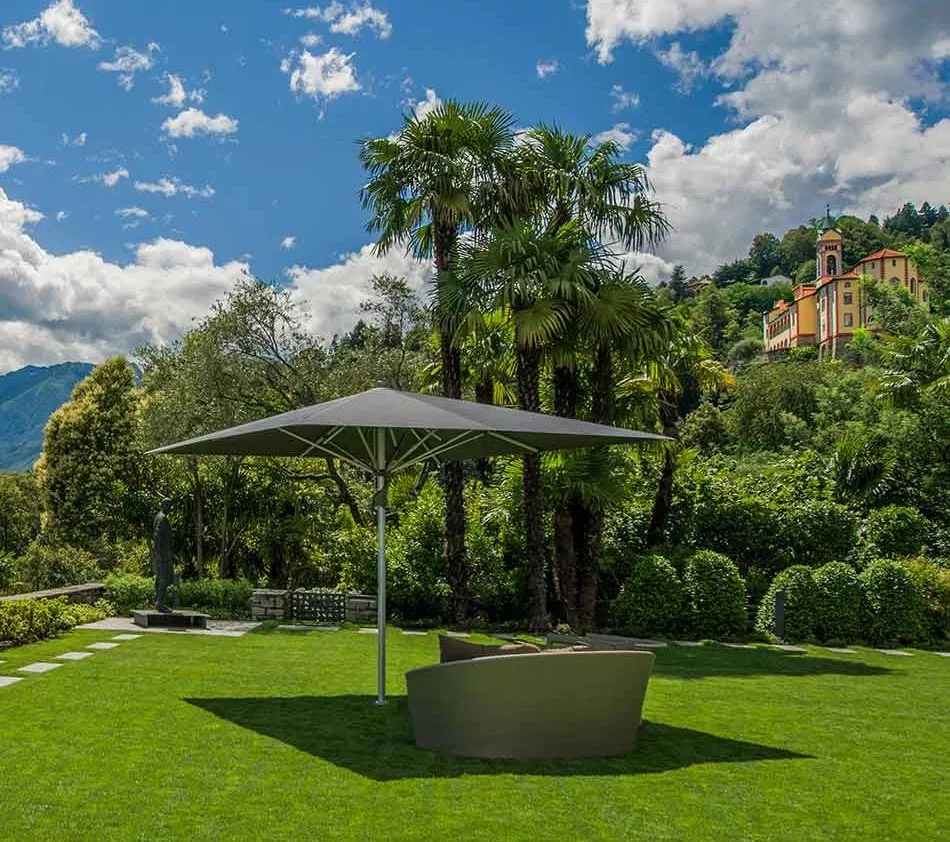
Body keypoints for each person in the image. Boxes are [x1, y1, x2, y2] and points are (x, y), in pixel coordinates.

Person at [152, 498, 177, 612]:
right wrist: (160, 553)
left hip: (161, 554)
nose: (170, 508)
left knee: (159, 579)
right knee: (164, 579)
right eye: (168, 505)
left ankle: (158, 602)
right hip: (163, 555)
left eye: (170, 505)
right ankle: (160, 603)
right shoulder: (162, 518)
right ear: (163, 505)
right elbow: (157, 535)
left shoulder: (158, 517)